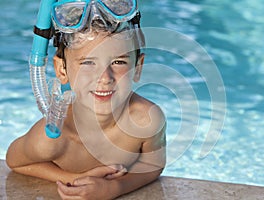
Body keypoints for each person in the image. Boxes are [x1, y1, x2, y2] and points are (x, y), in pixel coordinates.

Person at [6, 0, 166, 199]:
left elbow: (154, 163)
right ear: (62, 70)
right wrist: (73, 178)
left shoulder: (147, 120)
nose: (104, 78)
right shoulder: (54, 137)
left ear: (138, 66)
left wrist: (114, 188)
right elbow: (16, 161)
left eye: (118, 62)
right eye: (88, 62)